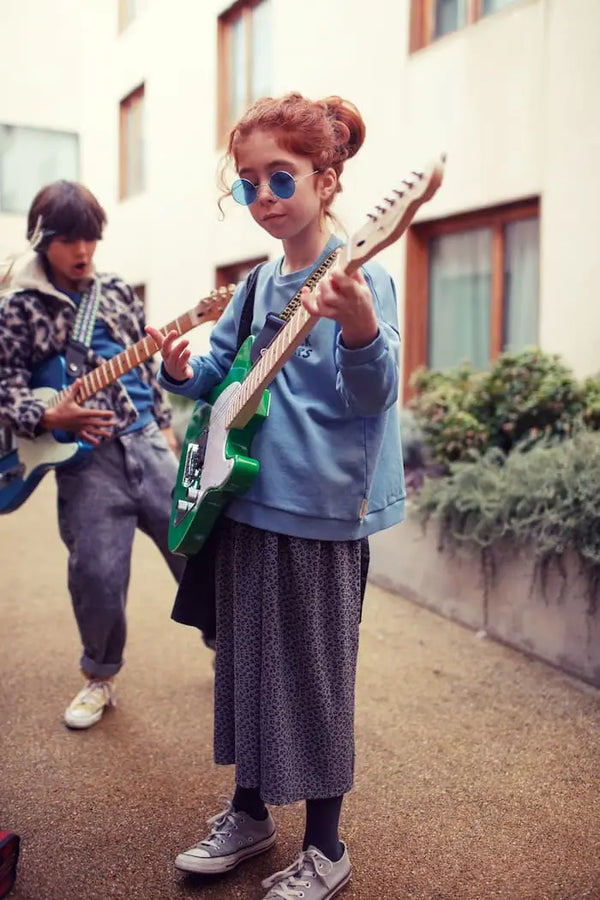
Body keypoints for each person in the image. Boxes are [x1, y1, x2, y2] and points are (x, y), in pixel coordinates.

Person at [148, 91, 405, 900]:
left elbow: (377, 393)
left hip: (321, 516)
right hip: (244, 503)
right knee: (248, 669)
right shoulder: (259, 285)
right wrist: (182, 374)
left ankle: (326, 848)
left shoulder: (362, 276)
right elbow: (224, 379)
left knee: (314, 679)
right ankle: (250, 811)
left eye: (280, 180)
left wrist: (360, 327)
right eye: (248, 184)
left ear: (328, 181)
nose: (262, 199)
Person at [0, 180, 186, 730]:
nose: (82, 252)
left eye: (91, 239)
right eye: (69, 240)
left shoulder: (119, 291)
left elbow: (146, 368)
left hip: (146, 441)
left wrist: (165, 426)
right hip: (85, 465)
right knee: (98, 575)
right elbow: (3, 384)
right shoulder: (19, 308)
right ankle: (99, 678)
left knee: (198, 547)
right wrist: (47, 417)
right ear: (42, 240)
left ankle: (229, 647)